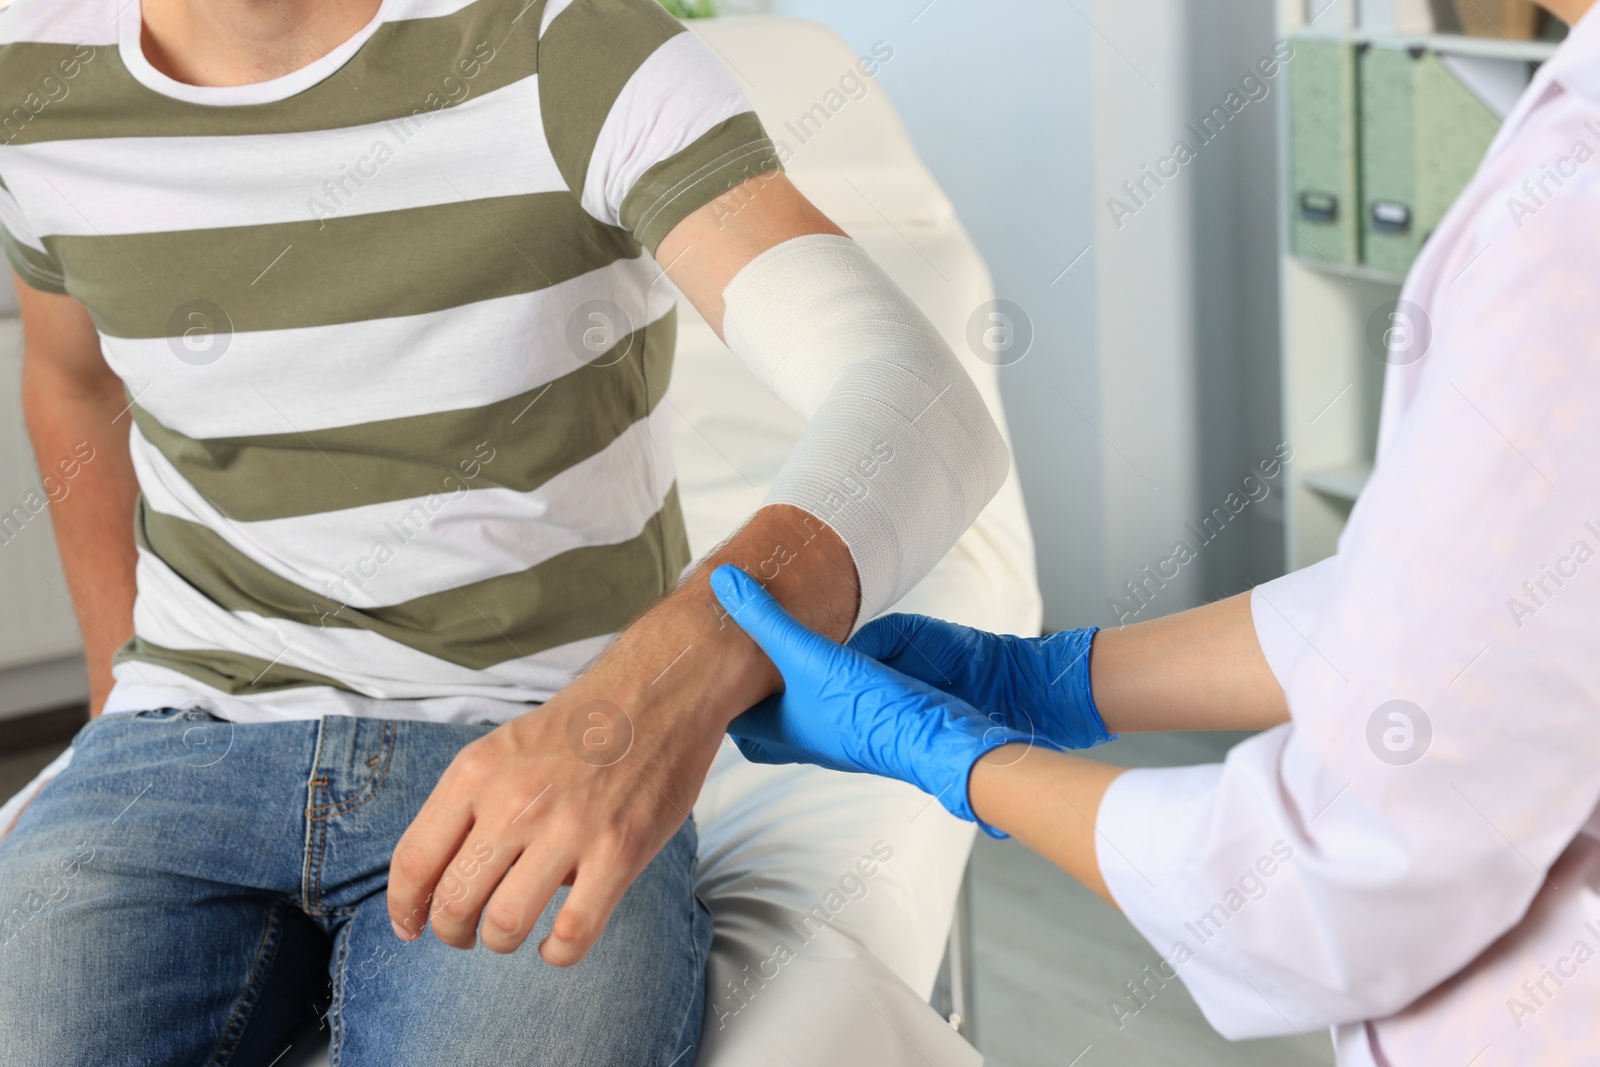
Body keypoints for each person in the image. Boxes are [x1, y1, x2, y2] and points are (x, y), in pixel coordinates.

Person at [0, 0, 1010, 1062]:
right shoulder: (36, 78)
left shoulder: (568, 47)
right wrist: (119, 704)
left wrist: (653, 690)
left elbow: (915, 399)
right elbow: (72, 379)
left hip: (534, 736)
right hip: (179, 738)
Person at [710, 0, 1600, 1062]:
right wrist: (1058, 679)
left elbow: (1343, 875)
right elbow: (1482, 610)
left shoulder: (1570, 221)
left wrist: (963, 759)